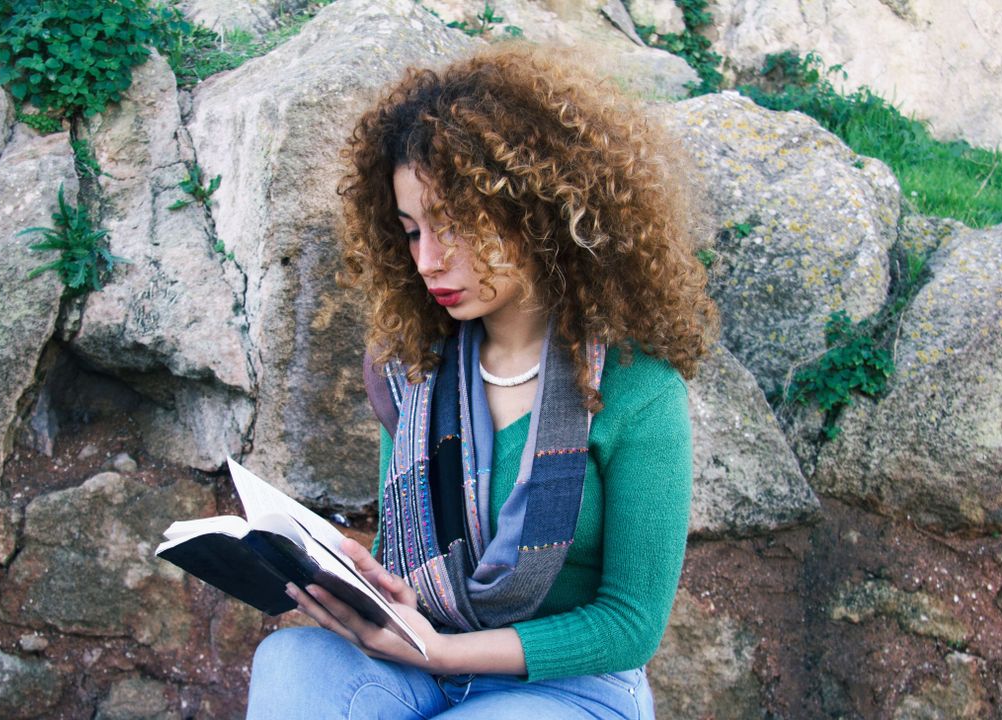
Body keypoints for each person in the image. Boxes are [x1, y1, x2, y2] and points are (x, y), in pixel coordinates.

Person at [245, 43, 718, 719]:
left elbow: (629, 626)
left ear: (540, 214)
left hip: (565, 690)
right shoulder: (411, 368)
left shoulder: (639, 389)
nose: (429, 261)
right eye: (411, 233)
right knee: (289, 664)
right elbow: (408, 556)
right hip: (424, 660)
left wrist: (441, 653)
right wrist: (372, 592)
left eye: (455, 225)